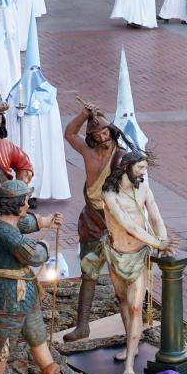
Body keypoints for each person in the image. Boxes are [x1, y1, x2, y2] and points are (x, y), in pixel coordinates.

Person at [0, 179, 74, 374]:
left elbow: (28, 222)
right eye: (25, 200)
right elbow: (33, 255)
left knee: (38, 337)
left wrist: (47, 221)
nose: (27, 204)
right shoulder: (3, 229)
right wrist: (43, 243)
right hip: (8, 294)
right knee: (2, 347)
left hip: (24, 292)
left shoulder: (8, 220)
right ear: (16, 204)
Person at [102, 149, 174, 374]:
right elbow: (126, 224)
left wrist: (161, 240)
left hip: (138, 255)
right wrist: (157, 243)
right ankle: (129, 345)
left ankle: (131, 361)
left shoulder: (143, 188)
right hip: (116, 253)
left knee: (135, 307)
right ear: (126, 167)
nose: (144, 173)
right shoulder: (109, 193)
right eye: (140, 168)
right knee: (122, 301)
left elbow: (155, 217)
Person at [63, 104, 123, 340]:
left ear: (111, 131)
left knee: (122, 276)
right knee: (88, 274)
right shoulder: (88, 152)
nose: (102, 137)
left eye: (105, 132)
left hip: (116, 222)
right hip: (92, 221)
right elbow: (69, 133)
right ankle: (82, 325)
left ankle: (131, 322)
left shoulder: (121, 156)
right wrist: (83, 115)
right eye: (97, 135)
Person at [7, 17, 70, 202]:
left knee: (40, 162)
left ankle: (38, 190)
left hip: (41, 140)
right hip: (23, 136)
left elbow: (53, 125)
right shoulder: (15, 92)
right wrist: (16, 113)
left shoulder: (48, 94)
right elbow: (9, 120)